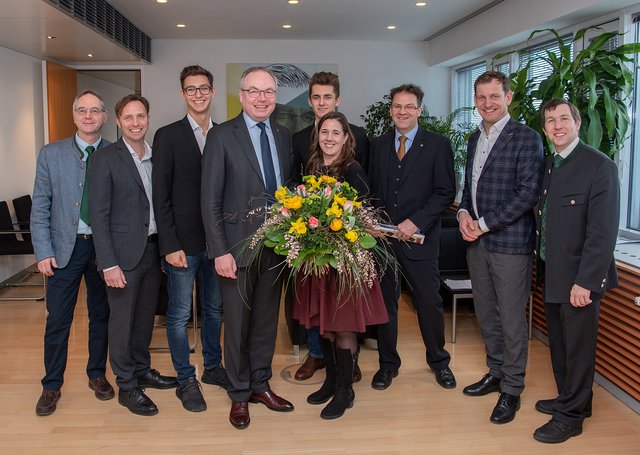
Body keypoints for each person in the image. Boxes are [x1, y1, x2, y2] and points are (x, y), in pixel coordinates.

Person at [201, 67, 294, 429]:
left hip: (275, 247)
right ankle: (239, 393)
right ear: (240, 95)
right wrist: (219, 250)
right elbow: (209, 200)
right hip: (235, 250)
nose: (261, 98)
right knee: (237, 325)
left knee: (265, 323)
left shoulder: (283, 136)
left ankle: (260, 384)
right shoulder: (222, 136)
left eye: (268, 92)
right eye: (254, 91)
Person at [458, 71, 544, 424]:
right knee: (486, 314)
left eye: (494, 96)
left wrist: (484, 224)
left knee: (511, 319)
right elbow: (468, 185)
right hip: (475, 243)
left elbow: (527, 194)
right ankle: (495, 372)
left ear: (508, 98)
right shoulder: (473, 139)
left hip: (509, 244)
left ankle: (512, 388)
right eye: (481, 98)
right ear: (475, 100)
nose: (487, 103)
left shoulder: (527, 138)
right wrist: (464, 212)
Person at [532, 99, 619, 443]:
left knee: (578, 349)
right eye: (550, 120)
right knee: (560, 346)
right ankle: (573, 400)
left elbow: (603, 232)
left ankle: (570, 418)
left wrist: (585, 281)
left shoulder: (599, 166)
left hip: (579, 279)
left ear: (578, 123)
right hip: (553, 273)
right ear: (545, 128)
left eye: (563, 119)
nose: (557, 126)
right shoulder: (552, 163)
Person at [292, 111, 388, 419]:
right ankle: (331, 381)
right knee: (326, 327)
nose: (329, 138)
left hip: (344, 265)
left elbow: (362, 218)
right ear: (317, 136)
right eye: (324, 132)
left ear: (346, 138)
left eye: (336, 133)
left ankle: (345, 390)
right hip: (320, 263)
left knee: (343, 326)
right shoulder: (313, 167)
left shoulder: (352, 169)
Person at [89, 94, 177, 417]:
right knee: (122, 322)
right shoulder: (106, 159)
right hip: (121, 258)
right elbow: (99, 215)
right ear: (117, 121)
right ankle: (126, 385)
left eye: (141, 116)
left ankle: (141, 370)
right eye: (128, 117)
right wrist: (108, 262)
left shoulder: (156, 156)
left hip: (152, 251)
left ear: (148, 119)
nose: (136, 123)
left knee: (144, 319)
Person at [368, 83, 457, 392]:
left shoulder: (437, 145)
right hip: (383, 241)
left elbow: (445, 191)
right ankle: (387, 365)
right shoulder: (378, 145)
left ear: (420, 110)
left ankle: (439, 362)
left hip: (420, 241)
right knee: (385, 305)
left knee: (429, 303)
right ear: (390, 110)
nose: (402, 112)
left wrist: (415, 222)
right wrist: (374, 221)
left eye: (408, 107)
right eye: (397, 106)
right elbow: (373, 192)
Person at [31, 89, 113, 416]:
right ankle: (51, 385)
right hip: (63, 250)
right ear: (74, 115)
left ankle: (97, 374)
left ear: (105, 116)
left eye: (95, 110)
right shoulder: (51, 154)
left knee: (101, 316)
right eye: (82, 110)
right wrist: (42, 250)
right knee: (58, 321)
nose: (89, 116)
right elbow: (40, 207)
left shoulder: (114, 153)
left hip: (103, 249)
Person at [152, 65, 228, 413]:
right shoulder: (167, 136)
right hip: (182, 244)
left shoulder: (226, 134)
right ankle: (185, 377)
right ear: (183, 94)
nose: (198, 94)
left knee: (214, 310)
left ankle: (213, 368)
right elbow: (160, 196)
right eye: (190, 89)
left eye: (203, 88)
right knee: (180, 314)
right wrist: (169, 245)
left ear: (212, 92)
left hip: (217, 244)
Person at [291, 71, 370, 382]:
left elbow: (363, 194)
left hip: (344, 245)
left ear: (337, 100)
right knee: (316, 302)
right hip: (311, 242)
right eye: (316, 97)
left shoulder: (359, 138)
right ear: (310, 101)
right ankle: (318, 355)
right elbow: (292, 184)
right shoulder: (298, 139)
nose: (321, 102)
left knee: (343, 308)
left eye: (327, 97)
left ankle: (346, 362)